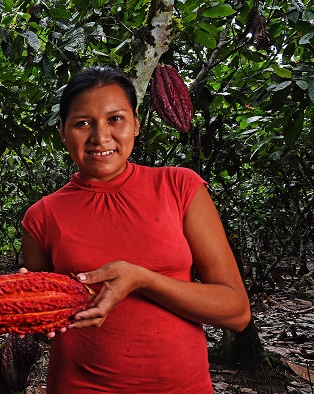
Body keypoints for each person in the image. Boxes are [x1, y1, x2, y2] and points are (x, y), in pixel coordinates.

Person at [21, 66, 251, 393]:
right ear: (62, 132)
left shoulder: (180, 187)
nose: (101, 137)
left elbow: (236, 311)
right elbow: (42, 324)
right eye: (82, 123)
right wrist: (22, 305)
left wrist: (141, 279)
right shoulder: (42, 216)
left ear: (136, 124)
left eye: (116, 119)